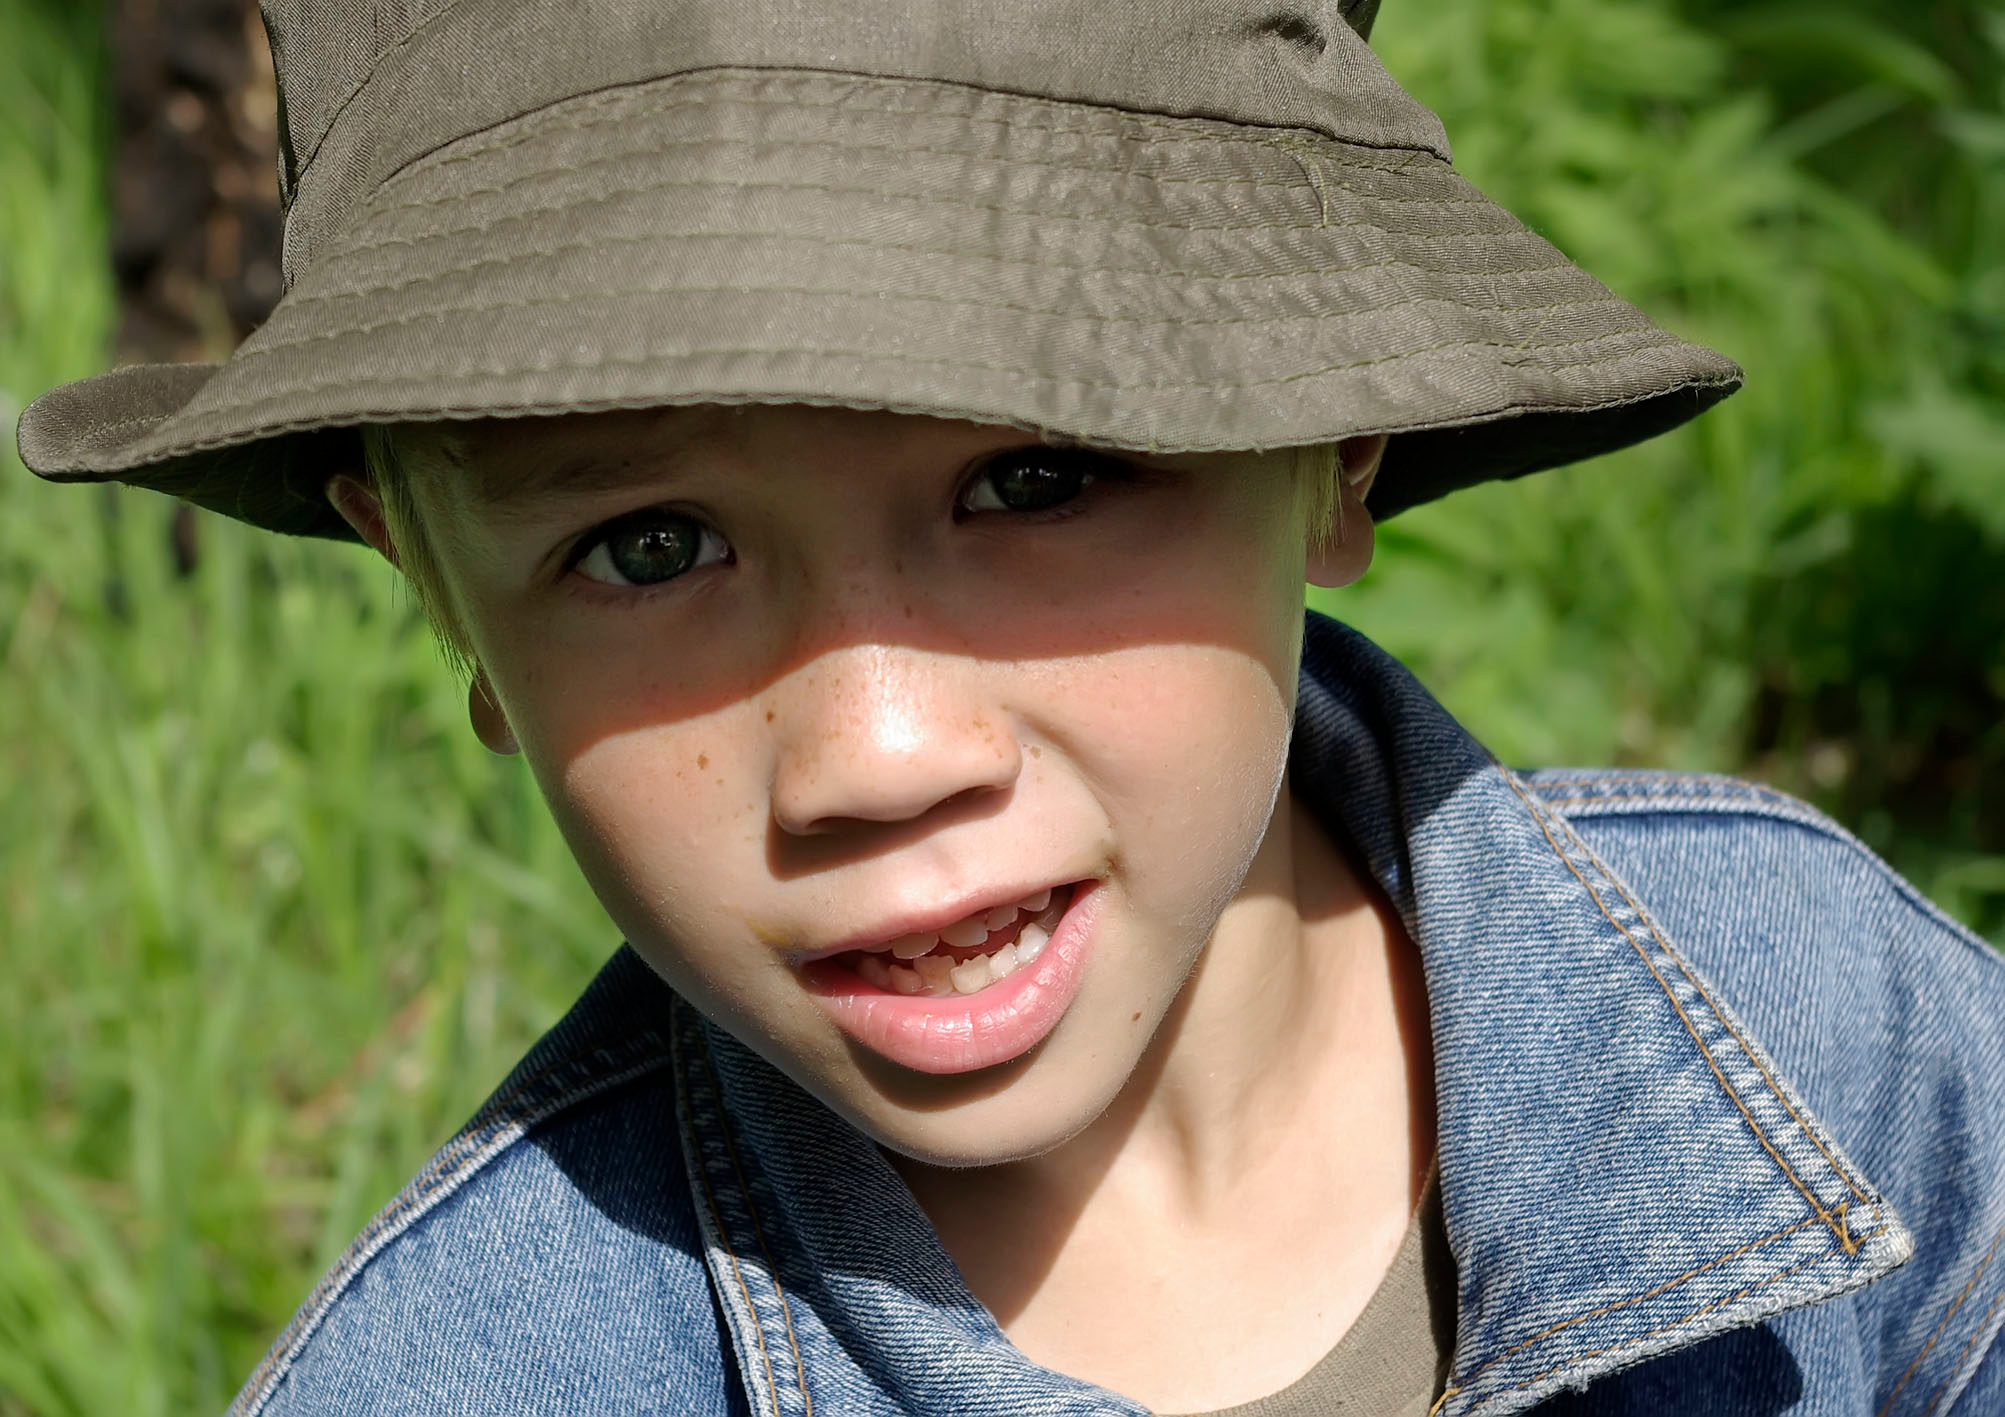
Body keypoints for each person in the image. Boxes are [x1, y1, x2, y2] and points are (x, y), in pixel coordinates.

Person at [17, 1, 2004, 1413]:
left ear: (1339, 436)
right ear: (434, 587)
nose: (881, 755)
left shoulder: (1850, 1038)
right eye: (646, 547)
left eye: (1036, 480)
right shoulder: (478, 1376)